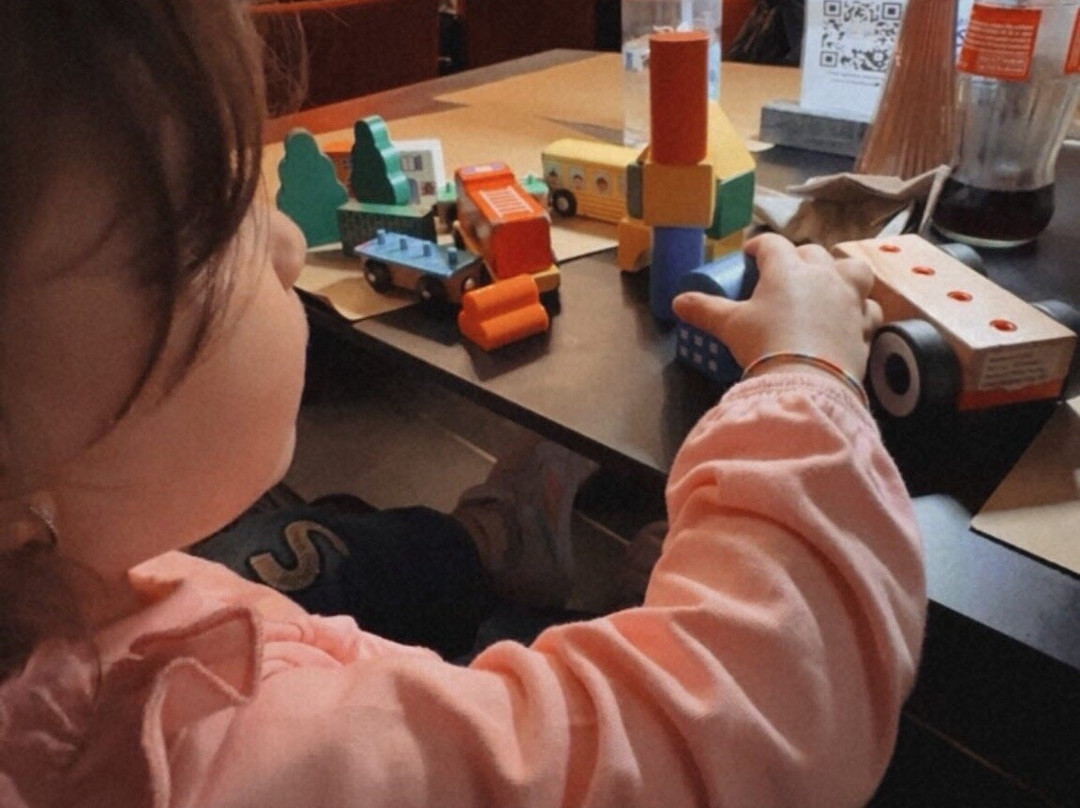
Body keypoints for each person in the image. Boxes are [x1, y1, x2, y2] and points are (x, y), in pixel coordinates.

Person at [0, 1, 926, 806]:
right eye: (211, 223)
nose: (283, 244)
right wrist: (808, 372)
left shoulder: (66, 588)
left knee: (316, 547)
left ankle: (497, 539)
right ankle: (592, 598)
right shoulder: (240, 756)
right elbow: (748, 712)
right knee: (438, 603)